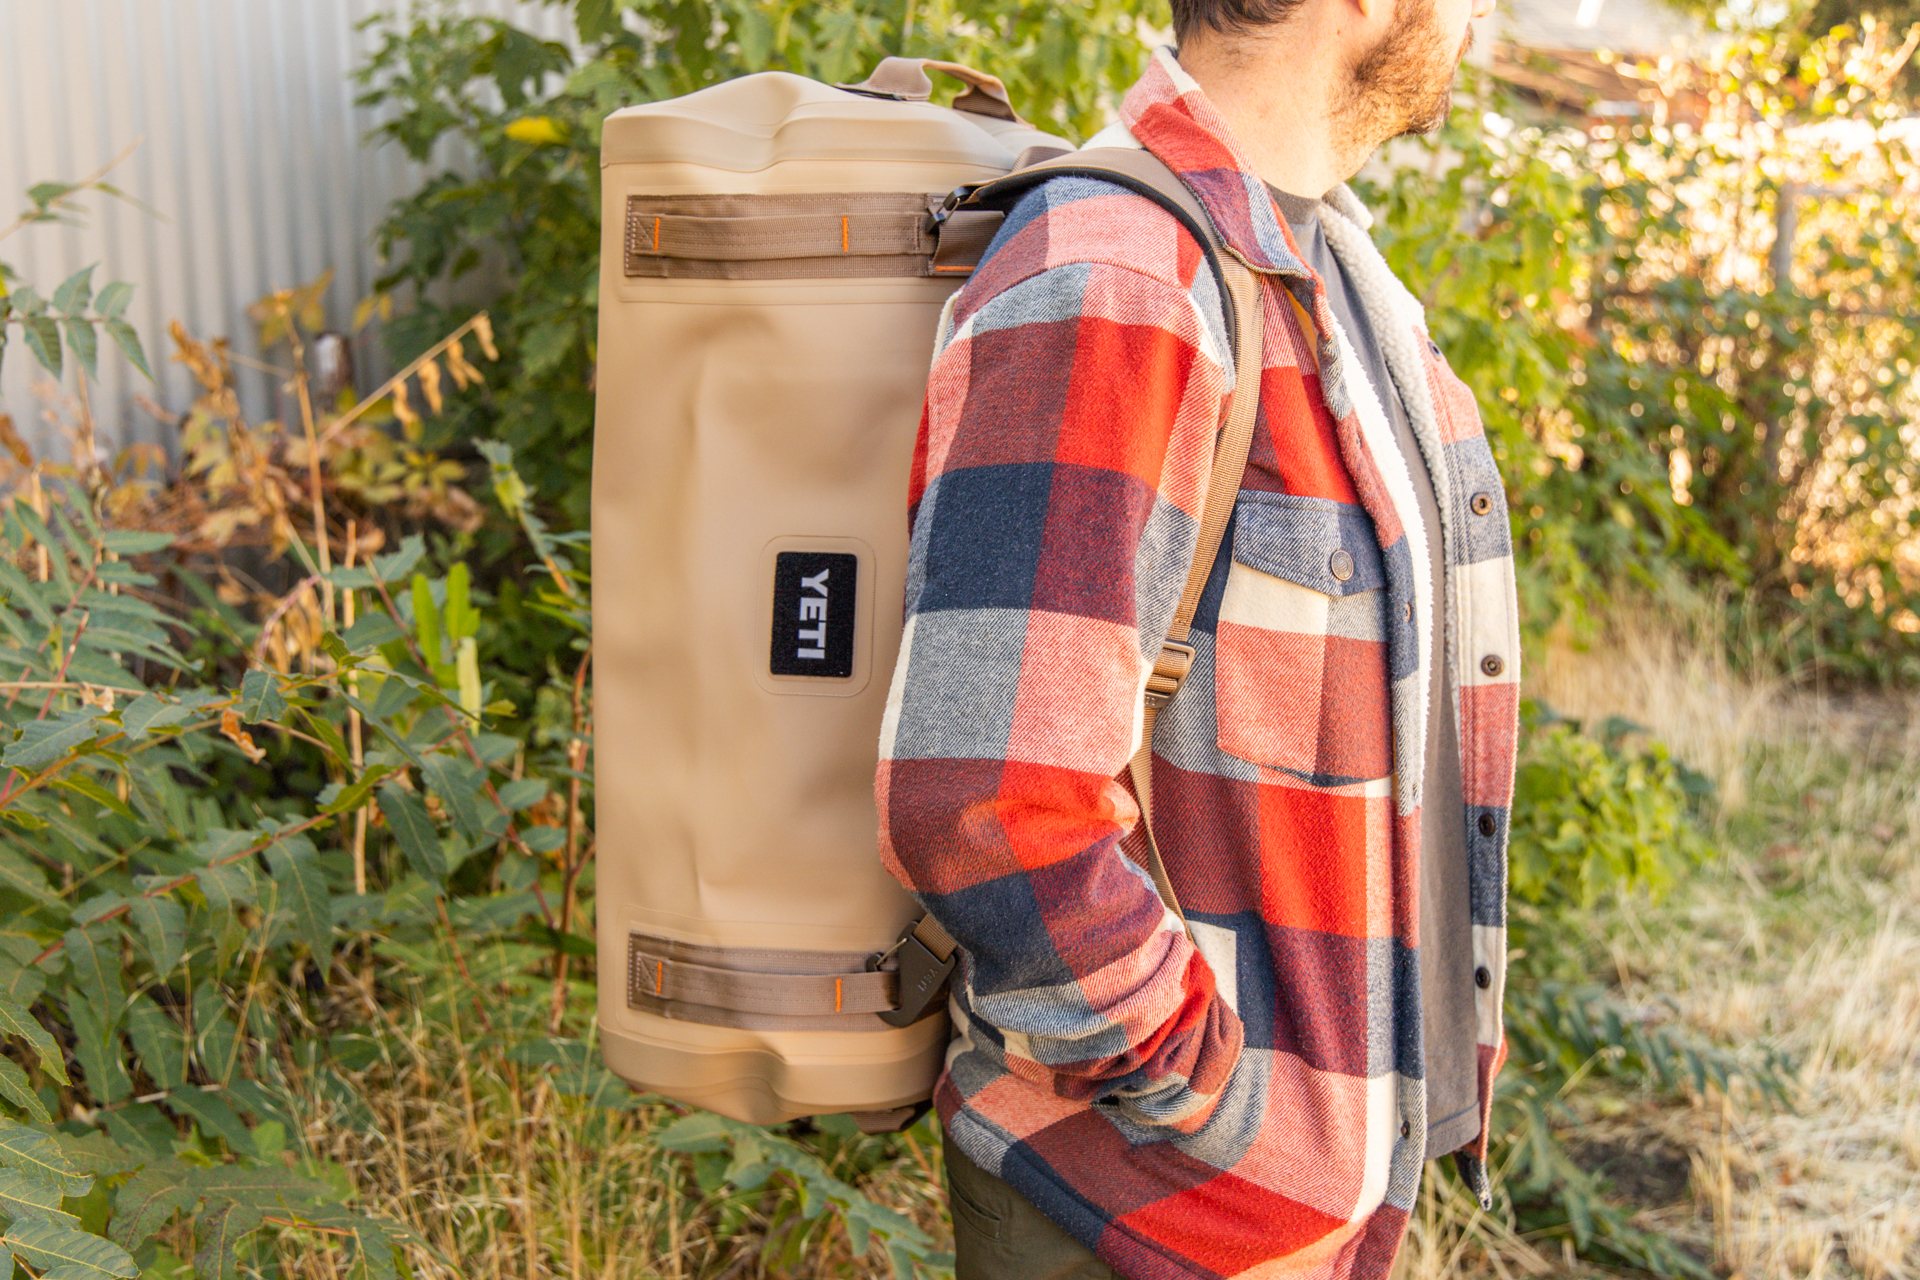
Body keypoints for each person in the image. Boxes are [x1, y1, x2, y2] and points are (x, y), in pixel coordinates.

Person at [874, 0, 1519, 1274]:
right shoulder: (1122, 274)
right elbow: (984, 798)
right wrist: (1218, 1100)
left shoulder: (1323, 272)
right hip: (1143, 1201)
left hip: (1279, 1206)